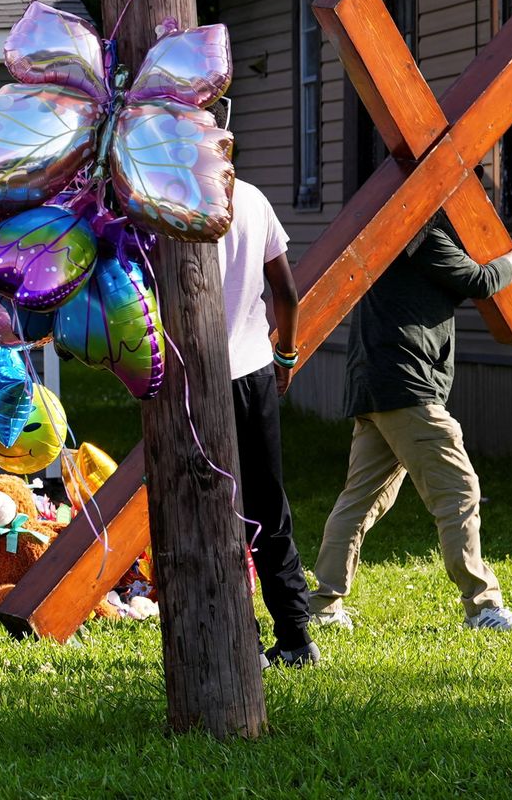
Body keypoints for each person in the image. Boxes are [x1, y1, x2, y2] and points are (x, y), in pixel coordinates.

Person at [310, 214, 512, 632]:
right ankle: (483, 606)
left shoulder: (389, 231)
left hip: (375, 385)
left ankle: (323, 606)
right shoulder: (420, 233)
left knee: (361, 499)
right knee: (459, 489)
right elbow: (480, 281)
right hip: (407, 387)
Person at [215, 175, 315, 667]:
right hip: (256, 368)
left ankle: (241, 638)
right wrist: (287, 355)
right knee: (268, 506)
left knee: (215, 513)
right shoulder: (253, 196)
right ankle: (297, 638)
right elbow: (287, 292)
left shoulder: (161, 199)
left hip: (197, 379)